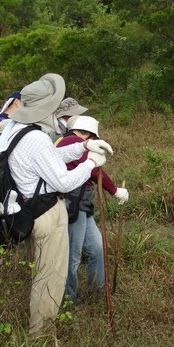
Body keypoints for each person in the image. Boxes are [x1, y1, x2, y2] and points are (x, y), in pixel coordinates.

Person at [0, 73, 113, 335]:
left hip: (27, 209)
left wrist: (84, 146)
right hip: (46, 212)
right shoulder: (35, 137)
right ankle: (41, 336)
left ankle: (39, 328)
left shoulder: (15, 130)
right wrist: (91, 162)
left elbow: (48, 156)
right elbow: (63, 182)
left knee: (40, 272)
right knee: (50, 277)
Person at [57, 115, 128, 305]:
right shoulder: (71, 141)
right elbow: (95, 170)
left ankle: (97, 290)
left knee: (97, 247)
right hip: (73, 203)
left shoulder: (72, 142)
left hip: (83, 204)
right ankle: (68, 298)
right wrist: (114, 190)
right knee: (72, 255)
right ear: (87, 133)